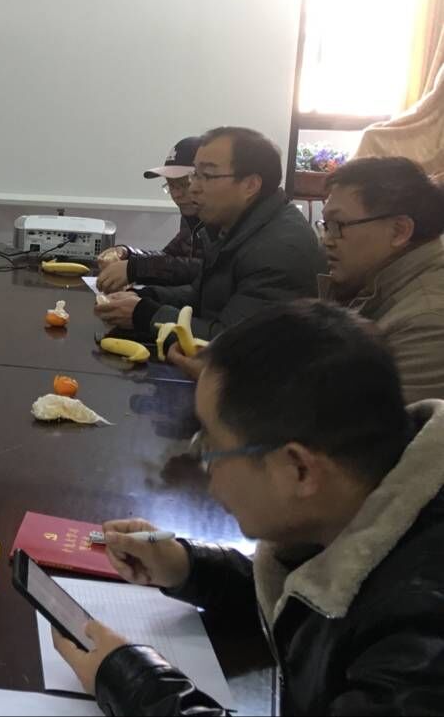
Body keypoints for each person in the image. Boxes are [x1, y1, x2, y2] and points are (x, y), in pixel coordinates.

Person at [52, 301, 444, 714]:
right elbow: (321, 596)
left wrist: (134, 684)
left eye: (213, 448)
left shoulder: (422, 635)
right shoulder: (368, 496)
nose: (205, 468)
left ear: (298, 469)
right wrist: (188, 567)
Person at [95, 127, 325, 343]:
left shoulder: (278, 248)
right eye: (195, 175)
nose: (193, 188)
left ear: (250, 185)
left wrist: (144, 314)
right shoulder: (231, 225)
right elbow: (201, 296)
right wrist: (146, 296)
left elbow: (232, 341)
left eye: (206, 175)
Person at [319, 156, 444, 400]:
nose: (326, 240)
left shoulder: (427, 322)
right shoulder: (370, 283)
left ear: (399, 231)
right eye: (325, 225)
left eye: (337, 225)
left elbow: (360, 419)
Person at [97, 136, 208, 292]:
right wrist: (127, 253)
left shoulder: (223, 220)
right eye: (171, 185)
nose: (176, 195)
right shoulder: (190, 216)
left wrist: (135, 268)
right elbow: (168, 257)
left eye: (185, 184)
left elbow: (207, 270)